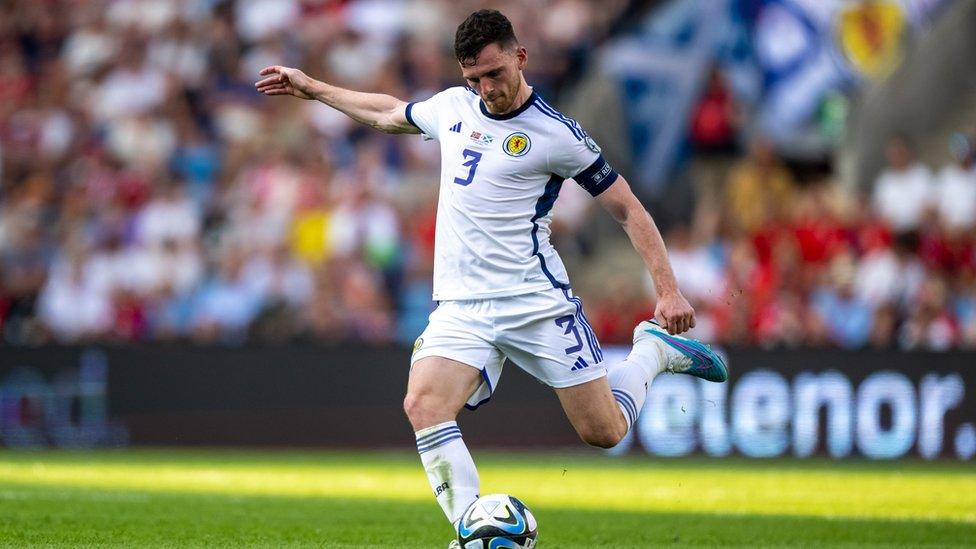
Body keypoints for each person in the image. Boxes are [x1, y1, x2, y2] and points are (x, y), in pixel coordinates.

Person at [256, 9, 727, 546]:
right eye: (473, 78)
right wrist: (311, 88)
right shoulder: (454, 108)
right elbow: (388, 112)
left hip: (535, 301)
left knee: (605, 433)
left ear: (519, 58)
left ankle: (653, 350)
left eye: (494, 74)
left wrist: (667, 290)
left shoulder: (556, 134)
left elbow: (628, 209)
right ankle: (468, 535)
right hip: (462, 306)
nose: (486, 89)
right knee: (423, 405)